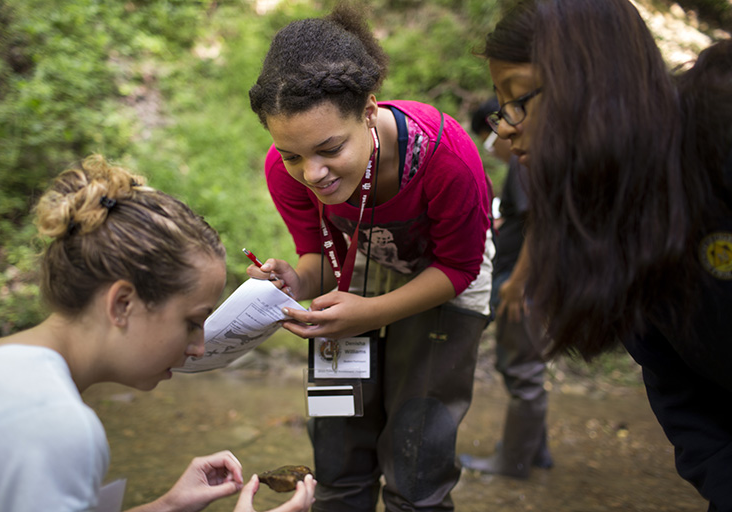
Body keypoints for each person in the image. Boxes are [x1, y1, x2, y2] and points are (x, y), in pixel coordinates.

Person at [482, 0, 732, 509]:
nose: (506, 127)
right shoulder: (613, 232)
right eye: (501, 105)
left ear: (592, 79)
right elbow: (682, 396)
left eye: (519, 99)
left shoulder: (717, 126)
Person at [0, 154, 316, 512]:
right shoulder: (57, 426)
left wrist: (167, 506)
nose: (198, 347)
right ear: (122, 305)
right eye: (192, 322)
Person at [247, 3, 494, 510]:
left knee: (417, 454)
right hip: (357, 266)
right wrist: (295, 282)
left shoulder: (446, 158)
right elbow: (317, 256)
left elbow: (460, 268)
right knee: (339, 457)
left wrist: (371, 312)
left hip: (443, 274)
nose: (311, 173)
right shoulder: (285, 168)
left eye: (329, 149)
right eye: (293, 155)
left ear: (369, 110)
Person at [459, 98, 553, 479]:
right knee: (522, 363)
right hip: (520, 276)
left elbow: (540, 222)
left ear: (494, 129)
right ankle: (536, 453)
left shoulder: (523, 160)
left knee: (522, 369)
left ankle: (513, 462)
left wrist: (517, 283)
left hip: (523, 282)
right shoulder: (521, 162)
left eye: (487, 138)